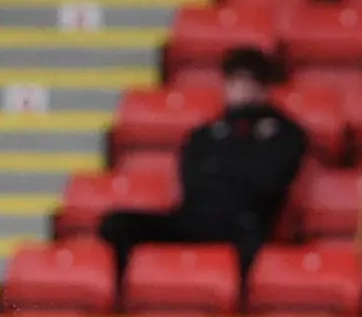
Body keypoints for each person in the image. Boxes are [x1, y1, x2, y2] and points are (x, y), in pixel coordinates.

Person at [96, 48, 306, 275]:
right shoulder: (206, 133)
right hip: (194, 218)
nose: (240, 91)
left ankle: (240, 303)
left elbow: (267, 183)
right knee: (117, 224)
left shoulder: (285, 133)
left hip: (243, 224)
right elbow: (192, 180)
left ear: (264, 88)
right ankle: (125, 295)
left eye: (248, 83)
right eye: (234, 82)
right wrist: (239, 166)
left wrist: (219, 168)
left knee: (254, 248)